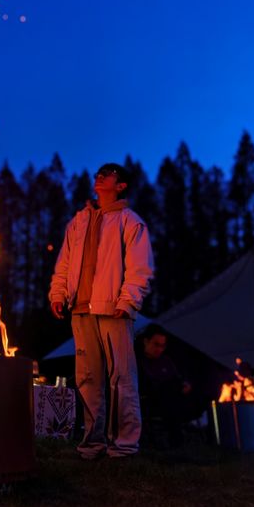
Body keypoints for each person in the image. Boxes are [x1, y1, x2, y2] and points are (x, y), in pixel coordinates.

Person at [49, 163, 154, 459]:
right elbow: (64, 265)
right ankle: (92, 444)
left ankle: (124, 444)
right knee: (88, 378)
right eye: (98, 173)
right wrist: (59, 295)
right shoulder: (79, 222)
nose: (99, 176)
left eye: (107, 174)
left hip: (113, 310)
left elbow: (140, 268)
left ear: (121, 186)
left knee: (121, 377)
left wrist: (127, 301)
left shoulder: (130, 222)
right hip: (81, 310)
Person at [136, 323, 194, 448]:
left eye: (162, 346)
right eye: (156, 345)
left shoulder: (165, 361)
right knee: (169, 393)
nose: (160, 349)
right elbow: (148, 385)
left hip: (173, 398)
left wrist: (184, 384)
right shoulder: (138, 362)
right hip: (150, 402)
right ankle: (176, 440)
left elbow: (177, 379)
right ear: (146, 341)